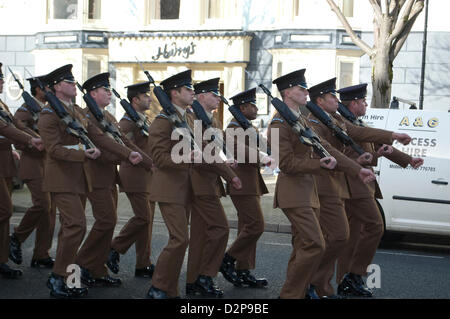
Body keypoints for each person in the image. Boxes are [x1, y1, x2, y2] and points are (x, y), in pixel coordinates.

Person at [268, 69, 376, 299]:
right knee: (314, 243)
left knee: (305, 246)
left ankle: (302, 291)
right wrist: (320, 165)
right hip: (292, 193)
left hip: (310, 192)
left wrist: (357, 170)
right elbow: (285, 164)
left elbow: (332, 150)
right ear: (287, 93)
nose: (306, 92)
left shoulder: (302, 120)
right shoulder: (278, 124)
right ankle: (290, 294)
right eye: (301, 89)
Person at [37, 64, 143, 298]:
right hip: (60, 178)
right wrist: (81, 153)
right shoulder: (48, 115)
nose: (74, 85)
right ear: (56, 87)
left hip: (78, 178)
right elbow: (53, 149)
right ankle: (58, 278)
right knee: (76, 225)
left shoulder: (75, 112)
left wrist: (129, 154)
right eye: (69, 82)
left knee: (74, 227)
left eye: (74, 82)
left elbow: (97, 137)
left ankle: (76, 275)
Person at [306, 77, 412, 298]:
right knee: (338, 236)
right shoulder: (315, 121)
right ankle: (314, 283)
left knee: (345, 237)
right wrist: (362, 164)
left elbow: (361, 136)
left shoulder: (334, 119)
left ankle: (335, 281)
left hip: (347, 183)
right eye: (331, 96)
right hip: (340, 183)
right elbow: (338, 152)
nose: (336, 100)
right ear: (320, 100)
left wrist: (398, 146)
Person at [334, 83, 424, 297]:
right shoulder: (343, 123)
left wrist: (408, 159)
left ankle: (344, 281)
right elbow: (352, 152)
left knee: (353, 236)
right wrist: (390, 138)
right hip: (353, 184)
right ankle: (354, 275)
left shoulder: (356, 121)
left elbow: (376, 148)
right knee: (375, 226)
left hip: (361, 185)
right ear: (354, 103)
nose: (366, 104)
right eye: (363, 101)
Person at [76, 73, 153, 287]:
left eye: (110, 89)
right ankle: (81, 263)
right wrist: (127, 156)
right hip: (95, 174)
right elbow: (100, 145)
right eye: (105, 90)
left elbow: (125, 143)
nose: (110, 93)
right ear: (92, 93)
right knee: (106, 221)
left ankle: (98, 271)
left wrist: (148, 162)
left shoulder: (108, 117)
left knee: (108, 223)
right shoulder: (86, 117)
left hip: (110, 175)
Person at [185, 77, 242, 298]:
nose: (218, 97)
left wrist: (228, 158)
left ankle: (194, 282)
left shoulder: (213, 120)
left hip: (209, 182)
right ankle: (205, 276)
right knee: (220, 229)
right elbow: (203, 154)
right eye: (213, 94)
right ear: (200, 97)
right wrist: (228, 172)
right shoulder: (193, 120)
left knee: (200, 235)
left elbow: (218, 148)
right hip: (199, 182)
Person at [146, 69, 197, 299]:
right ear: (175, 93)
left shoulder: (188, 118)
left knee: (180, 240)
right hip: (168, 189)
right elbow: (159, 159)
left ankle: (170, 290)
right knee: (180, 239)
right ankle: (158, 287)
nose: (192, 92)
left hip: (185, 188)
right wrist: (189, 158)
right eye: (188, 89)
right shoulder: (162, 122)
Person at [220, 88, 275, 289]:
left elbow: (265, 145)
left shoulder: (246, 126)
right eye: (253, 105)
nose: (256, 108)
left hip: (251, 184)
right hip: (241, 184)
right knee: (255, 226)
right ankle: (228, 259)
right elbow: (239, 151)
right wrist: (262, 156)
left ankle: (244, 271)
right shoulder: (233, 127)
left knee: (247, 228)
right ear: (243, 107)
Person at [107, 80, 157, 279]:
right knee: (143, 217)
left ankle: (143, 264)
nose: (149, 98)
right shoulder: (127, 122)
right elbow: (125, 148)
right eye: (146, 96)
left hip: (149, 176)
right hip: (135, 174)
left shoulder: (144, 119)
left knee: (148, 222)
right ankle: (114, 248)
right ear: (135, 99)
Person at [0, 62, 44, 279]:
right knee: (6, 210)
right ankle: (11, 245)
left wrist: (32, 138)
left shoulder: (2, 105)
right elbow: (6, 128)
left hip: (5, 163)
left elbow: (14, 126)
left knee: (5, 214)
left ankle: (2, 259)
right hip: (22, 161)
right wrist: (31, 140)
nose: (1, 81)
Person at [10, 75, 56, 270]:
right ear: (37, 90)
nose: (50, 90)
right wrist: (34, 145)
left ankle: (41, 254)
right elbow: (16, 136)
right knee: (42, 204)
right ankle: (17, 237)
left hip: (49, 165)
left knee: (50, 211)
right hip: (33, 163)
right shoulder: (24, 110)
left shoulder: (48, 109)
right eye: (47, 87)